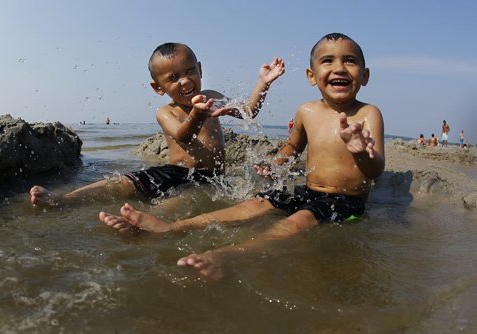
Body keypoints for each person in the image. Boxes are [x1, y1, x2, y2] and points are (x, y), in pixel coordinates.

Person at [99, 33, 385, 280]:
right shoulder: (306, 112)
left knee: (296, 222)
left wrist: (361, 153)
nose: (340, 68)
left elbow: (375, 170)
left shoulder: (368, 113)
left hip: (347, 201)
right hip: (308, 190)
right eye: (328, 61)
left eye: (350, 60)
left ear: (365, 75)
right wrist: (274, 164)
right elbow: (291, 150)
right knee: (253, 203)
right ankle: (172, 227)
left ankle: (230, 256)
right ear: (311, 76)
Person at [30, 42, 285, 206]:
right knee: (122, 182)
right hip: (174, 171)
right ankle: (64, 200)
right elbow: (183, 138)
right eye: (173, 78)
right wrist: (197, 114)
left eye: (189, 72)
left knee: (177, 203)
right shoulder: (165, 111)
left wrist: (263, 83)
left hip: (210, 178)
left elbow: (249, 111)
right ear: (158, 88)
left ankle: (146, 226)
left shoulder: (213, 97)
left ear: (200, 69)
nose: (185, 82)